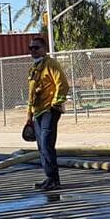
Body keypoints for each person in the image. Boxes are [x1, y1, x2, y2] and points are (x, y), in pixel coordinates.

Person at [26, 36, 70, 191]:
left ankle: (53, 179)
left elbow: (62, 84)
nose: (33, 51)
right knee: (41, 147)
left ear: (44, 49)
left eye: (36, 48)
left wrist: (55, 104)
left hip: (49, 111)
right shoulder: (34, 69)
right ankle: (49, 178)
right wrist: (29, 114)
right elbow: (31, 94)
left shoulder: (51, 64)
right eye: (31, 48)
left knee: (46, 144)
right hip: (37, 112)